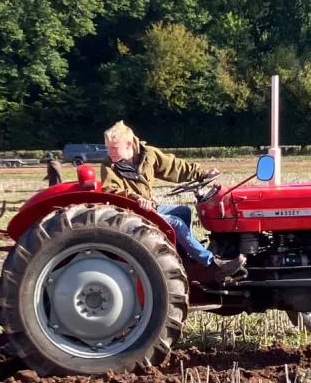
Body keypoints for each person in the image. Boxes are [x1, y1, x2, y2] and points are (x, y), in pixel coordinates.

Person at [100, 120, 246, 280]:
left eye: (113, 147)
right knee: (176, 223)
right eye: (108, 147)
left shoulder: (148, 155)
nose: (109, 152)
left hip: (149, 208)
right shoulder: (109, 166)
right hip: (132, 212)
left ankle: (182, 259)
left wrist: (203, 174)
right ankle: (212, 264)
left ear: (129, 145)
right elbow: (111, 191)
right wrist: (137, 198)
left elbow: (175, 167)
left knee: (183, 211)